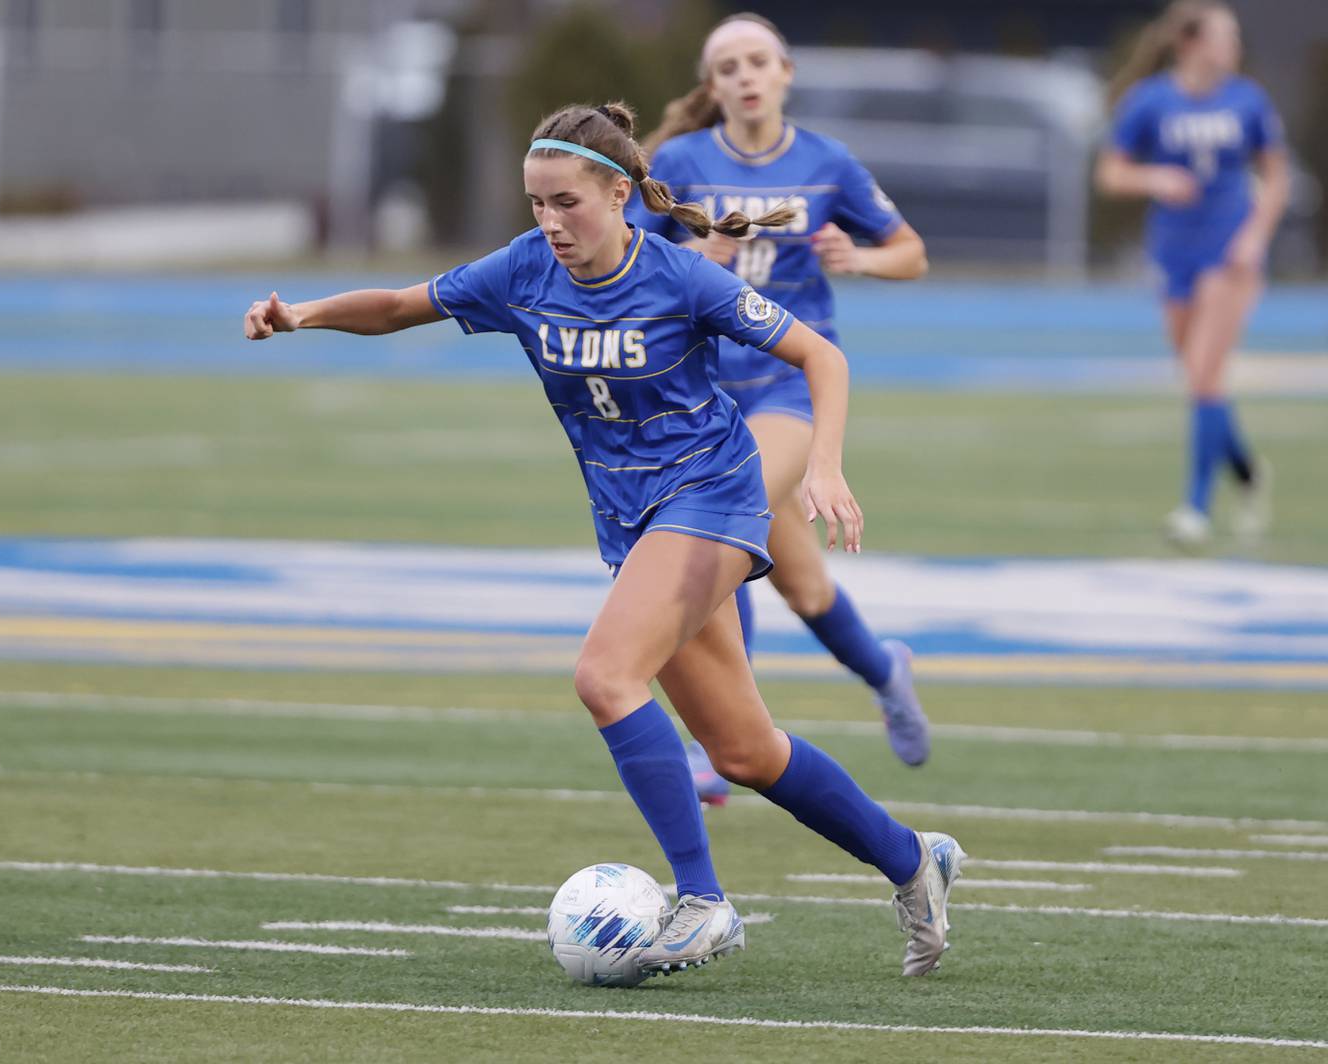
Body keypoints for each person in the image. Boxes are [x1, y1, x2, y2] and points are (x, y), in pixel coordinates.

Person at [243, 101, 963, 978]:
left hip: (712, 494)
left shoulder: (680, 278)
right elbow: (401, 304)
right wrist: (302, 314)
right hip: (633, 521)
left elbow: (823, 357)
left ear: (619, 194)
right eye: (536, 203)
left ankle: (703, 902)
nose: (550, 223)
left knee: (604, 675)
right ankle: (912, 860)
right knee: (745, 751)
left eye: (567, 203)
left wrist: (826, 468)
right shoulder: (521, 272)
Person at [627, 13, 931, 791]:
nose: (745, 76)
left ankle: (722, 737)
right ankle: (883, 668)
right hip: (703, 394)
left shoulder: (827, 163)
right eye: (728, 67)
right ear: (713, 85)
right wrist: (699, 255)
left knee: (723, 525)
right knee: (802, 585)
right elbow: (629, 262)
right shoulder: (681, 160)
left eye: (758, 61)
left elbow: (912, 254)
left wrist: (857, 257)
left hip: (788, 387)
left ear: (785, 71)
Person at [1096, 0, 1289, 551]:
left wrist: (1254, 237)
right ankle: (1250, 473)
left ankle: (1196, 509)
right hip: (1175, 251)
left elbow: (1275, 178)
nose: (1232, 48)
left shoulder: (1247, 100)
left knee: (1206, 376)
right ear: (1190, 43)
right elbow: (1112, 173)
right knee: (1200, 379)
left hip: (1230, 252)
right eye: (1222, 37)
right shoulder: (1151, 100)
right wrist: (1155, 178)